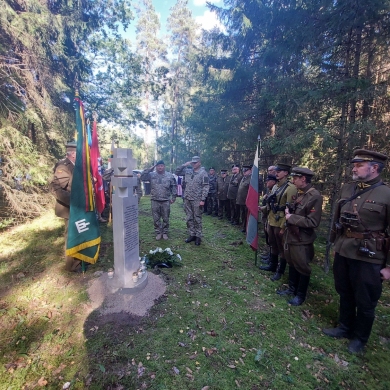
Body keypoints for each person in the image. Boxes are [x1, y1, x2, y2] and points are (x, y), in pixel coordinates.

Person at [322, 149, 390, 354]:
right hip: (344, 250)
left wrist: (388, 267)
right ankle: (345, 327)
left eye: (359, 165)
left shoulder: (386, 194)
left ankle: (360, 339)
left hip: (369, 256)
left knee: (366, 299)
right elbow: (338, 220)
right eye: (354, 164)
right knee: (345, 291)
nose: (354, 167)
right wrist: (335, 244)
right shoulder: (348, 188)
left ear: (374, 168)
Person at [277, 167, 323, 306]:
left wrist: (291, 217)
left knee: (302, 266)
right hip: (291, 235)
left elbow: (313, 221)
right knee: (292, 262)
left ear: (303, 179)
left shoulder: (314, 196)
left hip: (302, 238)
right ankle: (292, 289)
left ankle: (300, 295)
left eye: (296, 178)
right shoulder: (300, 193)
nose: (293, 180)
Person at [259, 163, 296, 281]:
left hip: (280, 221)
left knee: (282, 247)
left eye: (279, 171)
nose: (277, 173)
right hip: (271, 219)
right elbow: (271, 203)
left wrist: (284, 226)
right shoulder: (276, 186)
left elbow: (290, 210)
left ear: (286, 173)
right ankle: (272, 265)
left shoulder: (291, 188)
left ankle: (280, 271)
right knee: (272, 243)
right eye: (276, 171)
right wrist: (263, 209)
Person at [50, 141, 81, 272]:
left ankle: (79, 260)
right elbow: (55, 188)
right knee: (71, 236)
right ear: (73, 154)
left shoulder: (76, 165)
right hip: (69, 209)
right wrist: (73, 201)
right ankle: (72, 265)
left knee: (79, 234)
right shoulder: (63, 166)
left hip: (78, 208)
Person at [176, 156, 209, 246]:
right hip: (187, 198)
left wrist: (203, 199)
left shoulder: (203, 173)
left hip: (197, 199)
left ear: (199, 163)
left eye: (196, 162)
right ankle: (192, 234)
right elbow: (177, 172)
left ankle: (198, 236)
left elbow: (205, 187)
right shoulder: (188, 171)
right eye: (193, 162)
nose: (194, 164)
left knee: (197, 218)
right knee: (189, 217)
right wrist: (184, 165)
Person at [141, 160, 177, 240]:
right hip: (155, 200)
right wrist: (150, 168)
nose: (160, 167)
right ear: (156, 167)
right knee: (156, 218)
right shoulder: (151, 175)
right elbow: (142, 177)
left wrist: (173, 197)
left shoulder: (169, 175)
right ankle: (158, 232)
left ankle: (164, 232)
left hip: (165, 200)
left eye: (162, 166)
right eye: (158, 166)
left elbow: (173, 186)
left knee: (166, 218)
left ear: (164, 166)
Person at [259, 174, 277, 263]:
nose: (266, 182)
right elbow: (268, 205)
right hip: (268, 217)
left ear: (273, 182)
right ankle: (270, 257)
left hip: (275, 219)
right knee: (270, 239)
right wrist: (261, 208)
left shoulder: (276, 190)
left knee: (274, 242)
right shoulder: (270, 190)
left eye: (268, 181)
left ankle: (273, 262)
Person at [236, 165, 252, 233]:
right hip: (241, 200)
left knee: (246, 215)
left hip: (247, 200)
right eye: (243, 170)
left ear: (250, 170)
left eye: (246, 170)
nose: (244, 172)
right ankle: (244, 226)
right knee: (243, 214)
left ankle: (246, 228)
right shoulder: (244, 178)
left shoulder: (251, 179)